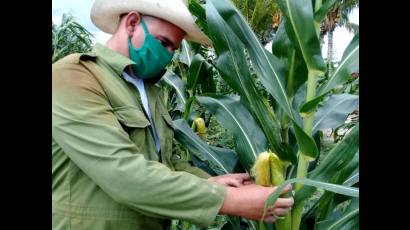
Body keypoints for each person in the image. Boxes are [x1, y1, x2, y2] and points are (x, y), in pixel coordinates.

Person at [52, 0, 294, 229]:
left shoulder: (149, 91)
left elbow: (163, 163)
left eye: (174, 49)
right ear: (132, 23)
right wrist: (230, 200)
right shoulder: (74, 77)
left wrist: (207, 182)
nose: (168, 55)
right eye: (163, 42)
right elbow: (124, 175)